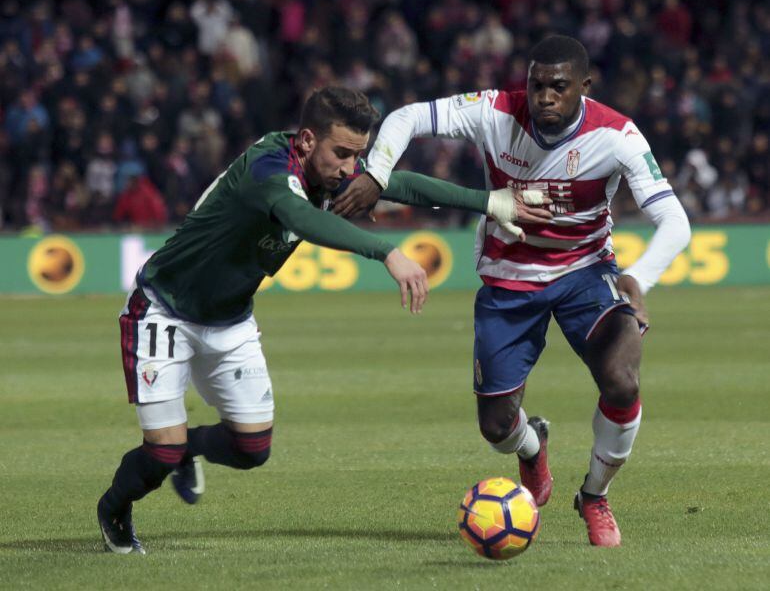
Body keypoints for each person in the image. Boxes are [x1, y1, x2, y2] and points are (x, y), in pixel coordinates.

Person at [97, 86, 537, 554]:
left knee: (252, 449)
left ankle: (186, 450)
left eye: (357, 155)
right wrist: (387, 252)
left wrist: (491, 202)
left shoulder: (330, 174)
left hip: (229, 320)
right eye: (343, 153)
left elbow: (397, 185)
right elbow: (301, 219)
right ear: (307, 141)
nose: (351, 167)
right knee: (159, 449)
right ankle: (114, 510)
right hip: (164, 309)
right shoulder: (267, 169)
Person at [334, 36, 691, 547]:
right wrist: (377, 171)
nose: (544, 96)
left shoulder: (617, 136)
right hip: (508, 277)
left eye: (558, 87)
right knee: (496, 426)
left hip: (585, 274)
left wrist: (638, 278)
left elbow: (674, 222)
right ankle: (531, 444)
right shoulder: (494, 111)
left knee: (622, 378)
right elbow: (408, 116)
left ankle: (594, 496)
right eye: (537, 84)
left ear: (584, 89)